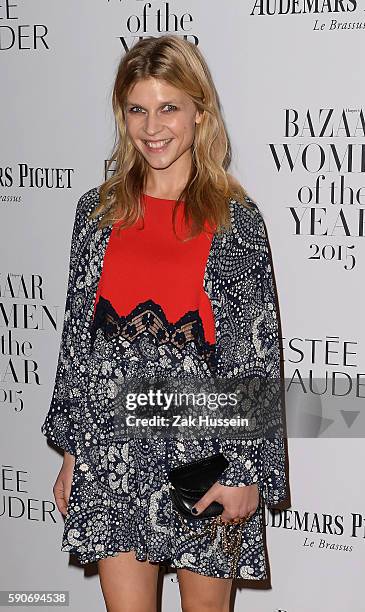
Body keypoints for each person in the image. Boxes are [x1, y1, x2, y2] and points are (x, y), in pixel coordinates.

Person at [41, 34, 288, 612]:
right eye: (137, 109)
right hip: (112, 455)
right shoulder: (96, 214)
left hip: (205, 458)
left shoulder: (234, 221)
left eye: (169, 107)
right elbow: (79, 346)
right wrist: (75, 454)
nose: (153, 126)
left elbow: (255, 357)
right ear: (122, 114)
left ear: (199, 112)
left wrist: (247, 469)